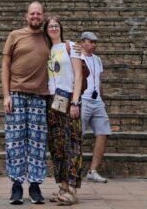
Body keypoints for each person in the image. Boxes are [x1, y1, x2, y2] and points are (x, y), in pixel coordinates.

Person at [1, 1, 49, 205]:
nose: (35, 16)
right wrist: (6, 95)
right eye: (32, 13)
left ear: (43, 16)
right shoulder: (15, 35)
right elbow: (5, 64)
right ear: (26, 16)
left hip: (40, 96)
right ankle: (17, 186)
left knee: (38, 142)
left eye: (39, 13)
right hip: (17, 94)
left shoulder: (49, 37)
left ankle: (36, 186)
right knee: (15, 142)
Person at [44, 16, 84, 205]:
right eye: (50, 25)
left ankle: (73, 189)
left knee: (73, 144)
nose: (53, 27)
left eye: (56, 25)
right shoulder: (45, 50)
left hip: (69, 99)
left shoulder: (70, 46)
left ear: (61, 28)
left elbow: (78, 74)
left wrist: (75, 102)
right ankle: (62, 186)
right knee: (57, 146)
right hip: (52, 101)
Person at [79, 31, 110, 183]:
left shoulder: (97, 60)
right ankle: (74, 169)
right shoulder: (77, 57)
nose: (94, 45)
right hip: (82, 100)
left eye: (95, 42)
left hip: (97, 101)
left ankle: (93, 170)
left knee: (103, 133)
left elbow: (99, 80)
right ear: (83, 42)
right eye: (91, 42)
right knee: (77, 135)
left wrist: (102, 98)